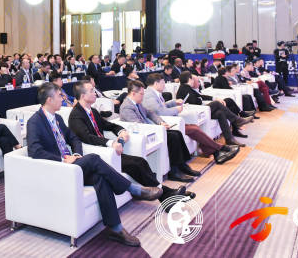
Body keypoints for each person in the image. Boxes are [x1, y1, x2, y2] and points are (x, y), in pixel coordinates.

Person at [27, 82, 160, 247]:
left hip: (72, 165)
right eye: (59, 96)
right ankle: (133, 189)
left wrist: (76, 154)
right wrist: (62, 160)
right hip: (58, 169)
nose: (62, 99)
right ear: (49, 100)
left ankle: (116, 229)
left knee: (100, 178)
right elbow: (35, 151)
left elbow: (73, 139)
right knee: (94, 159)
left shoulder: (57, 118)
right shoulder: (35, 122)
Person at [68, 81, 194, 203]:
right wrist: (110, 143)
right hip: (98, 154)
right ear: (83, 95)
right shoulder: (76, 115)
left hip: (107, 149)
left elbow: (109, 125)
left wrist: (121, 131)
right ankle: (167, 194)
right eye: (91, 91)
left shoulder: (92, 111)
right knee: (136, 164)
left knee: (140, 162)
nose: (95, 93)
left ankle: (166, 194)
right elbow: (87, 137)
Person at [143, 74, 238, 164]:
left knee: (195, 127)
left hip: (169, 121)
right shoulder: (150, 96)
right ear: (156, 83)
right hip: (163, 124)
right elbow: (160, 112)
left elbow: (162, 106)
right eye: (163, 83)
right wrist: (176, 109)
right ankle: (220, 149)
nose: (164, 85)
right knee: (194, 129)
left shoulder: (155, 93)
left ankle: (216, 153)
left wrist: (173, 102)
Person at [119, 78, 200, 181]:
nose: (143, 96)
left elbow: (150, 112)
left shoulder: (137, 103)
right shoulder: (127, 107)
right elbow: (139, 126)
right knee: (173, 137)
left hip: (151, 130)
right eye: (141, 94)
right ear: (133, 93)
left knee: (177, 133)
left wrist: (160, 122)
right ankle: (174, 172)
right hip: (143, 135)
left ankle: (182, 166)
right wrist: (158, 128)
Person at [176, 72, 250, 146]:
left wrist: (213, 98)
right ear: (189, 79)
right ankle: (237, 120)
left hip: (199, 110)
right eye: (192, 79)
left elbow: (200, 96)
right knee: (216, 103)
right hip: (196, 113)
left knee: (220, 113)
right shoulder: (184, 88)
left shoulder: (186, 88)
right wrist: (202, 99)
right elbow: (195, 101)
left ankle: (229, 139)